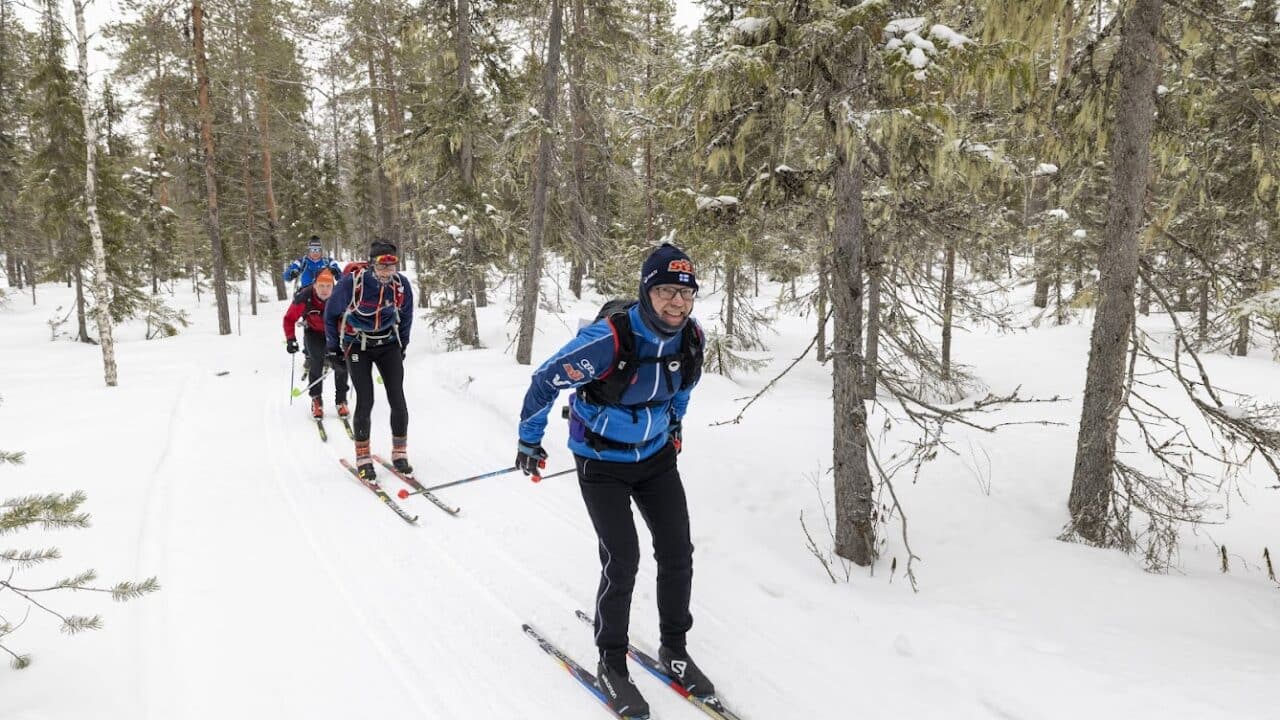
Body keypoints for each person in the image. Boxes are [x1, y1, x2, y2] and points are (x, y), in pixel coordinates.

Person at [515, 243, 712, 716]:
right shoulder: (610, 339)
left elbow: (682, 389)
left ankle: (674, 650)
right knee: (622, 558)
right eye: (665, 291)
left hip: (656, 456)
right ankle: (610, 661)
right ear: (647, 291)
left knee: (677, 551)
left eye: (685, 294)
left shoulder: (692, 339)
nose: (676, 303)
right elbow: (545, 380)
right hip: (599, 459)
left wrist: (676, 430)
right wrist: (529, 440)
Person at [325, 240, 414, 482]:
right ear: (371, 265)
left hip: (388, 343)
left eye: (392, 266)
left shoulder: (401, 285)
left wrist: (403, 343)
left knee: (397, 396)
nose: (387, 272)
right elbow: (331, 313)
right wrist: (333, 350)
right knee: (366, 399)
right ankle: (363, 457)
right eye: (382, 267)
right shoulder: (352, 283)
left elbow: (406, 315)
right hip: (358, 345)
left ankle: (400, 453)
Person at [284, 269, 350, 419]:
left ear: (333, 287)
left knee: (340, 364)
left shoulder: (340, 297)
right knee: (316, 362)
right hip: (313, 332)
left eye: (328, 286)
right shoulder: (304, 297)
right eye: (321, 285)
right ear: (314, 285)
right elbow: (289, 318)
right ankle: (316, 400)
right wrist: (290, 339)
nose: (324, 290)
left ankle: (341, 401)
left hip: (336, 333)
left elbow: (352, 316)